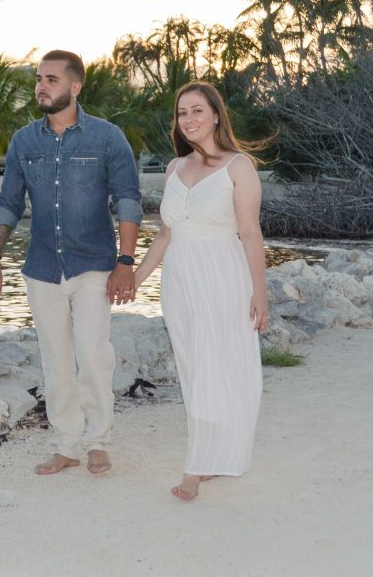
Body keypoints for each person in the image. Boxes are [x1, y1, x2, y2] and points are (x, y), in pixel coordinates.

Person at [0, 49, 142, 476]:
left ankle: (98, 441)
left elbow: (128, 200)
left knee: (92, 355)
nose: (41, 86)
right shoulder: (23, 141)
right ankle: (67, 445)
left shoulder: (108, 138)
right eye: (39, 78)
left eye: (51, 79)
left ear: (75, 86)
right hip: (42, 268)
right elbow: (8, 203)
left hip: (94, 265)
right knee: (55, 359)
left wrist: (126, 262)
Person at [133, 81, 268, 501]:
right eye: (181, 113)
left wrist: (260, 294)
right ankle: (213, 454)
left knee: (219, 366)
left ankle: (196, 466)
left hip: (223, 275)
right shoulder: (174, 169)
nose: (188, 119)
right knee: (193, 367)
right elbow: (165, 234)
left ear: (215, 115)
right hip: (180, 280)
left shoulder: (238, 166)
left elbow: (250, 233)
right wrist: (134, 280)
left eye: (196, 111)